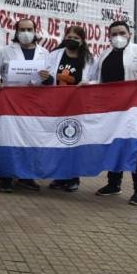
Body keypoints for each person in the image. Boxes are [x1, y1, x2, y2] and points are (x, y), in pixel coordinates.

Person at [92, 20, 137, 206]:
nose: (118, 37)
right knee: (114, 146)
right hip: (112, 112)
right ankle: (113, 184)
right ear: (109, 37)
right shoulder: (104, 55)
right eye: (114, 34)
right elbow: (96, 80)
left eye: (122, 33)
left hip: (135, 111)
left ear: (129, 34)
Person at [0, 17, 50, 192]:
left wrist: (47, 78)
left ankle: (26, 177)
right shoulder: (6, 51)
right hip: (11, 103)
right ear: (16, 32)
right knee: (8, 139)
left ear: (35, 31)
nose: (25, 33)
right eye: (22, 30)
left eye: (29, 29)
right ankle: (6, 178)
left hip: (34, 104)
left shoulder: (44, 53)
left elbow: (50, 80)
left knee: (32, 139)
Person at [38, 25, 97, 192]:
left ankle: (73, 178)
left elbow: (97, 81)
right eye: (69, 37)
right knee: (57, 140)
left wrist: (88, 84)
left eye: (76, 38)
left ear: (83, 41)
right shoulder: (55, 55)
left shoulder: (90, 60)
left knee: (73, 140)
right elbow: (46, 79)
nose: (72, 40)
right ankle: (59, 177)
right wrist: (46, 78)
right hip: (57, 104)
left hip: (77, 106)